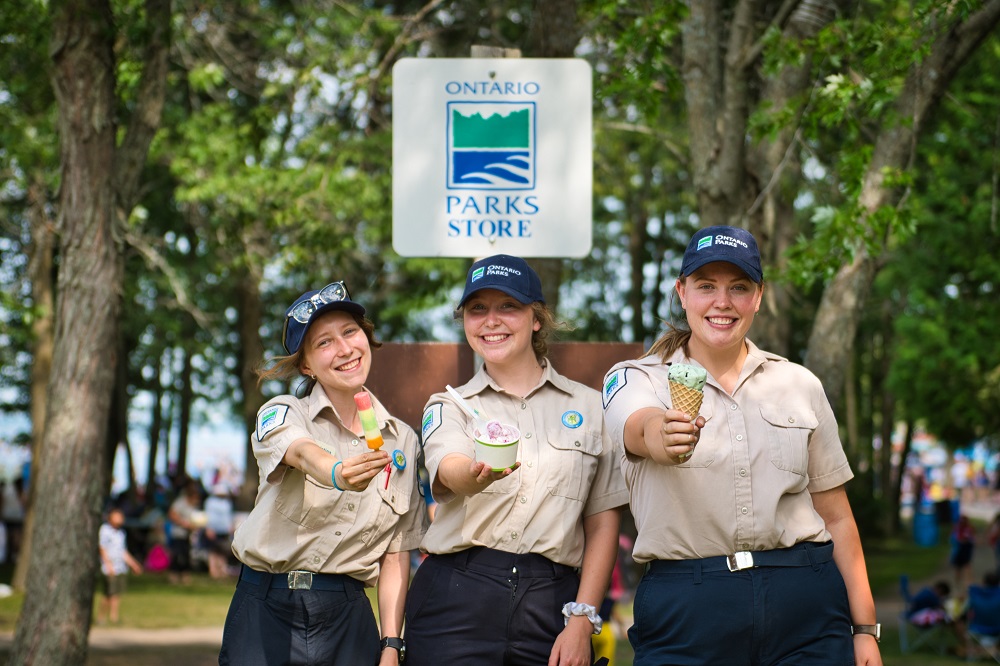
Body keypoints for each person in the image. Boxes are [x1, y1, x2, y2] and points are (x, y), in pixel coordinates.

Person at [602, 226, 883, 666]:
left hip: (805, 604)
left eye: (738, 287)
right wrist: (663, 433)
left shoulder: (799, 383)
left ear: (758, 296)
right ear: (682, 292)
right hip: (688, 607)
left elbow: (838, 518)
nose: (722, 302)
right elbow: (639, 428)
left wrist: (865, 630)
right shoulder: (635, 378)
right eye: (706, 286)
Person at [405, 255, 628, 666]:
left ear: (537, 318)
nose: (492, 320)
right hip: (456, 597)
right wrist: (475, 475)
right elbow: (451, 470)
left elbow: (602, 523)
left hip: (552, 603)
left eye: (508, 306)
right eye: (478, 309)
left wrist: (581, 619)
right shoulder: (448, 404)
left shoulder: (593, 407)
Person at [219, 281, 428, 666]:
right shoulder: (283, 411)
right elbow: (298, 450)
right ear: (306, 365)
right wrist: (335, 472)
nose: (345, 349)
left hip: (348, 615)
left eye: (350, 332)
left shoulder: (403, 441)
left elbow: (396, 555)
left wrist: (391, 645)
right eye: (324, 343)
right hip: (266, 608)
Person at [97, 506, 143, 624]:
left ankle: (114, 617)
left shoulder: (121, 533)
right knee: (109, 593)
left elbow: (123, 551)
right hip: (109, 567)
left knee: (116, 593)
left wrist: (133, 564)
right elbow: (102, 548)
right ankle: (101, 617)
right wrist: (108, 565)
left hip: (120, 566)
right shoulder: (105, 531)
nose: (119, 519)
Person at [166, 477, 202, 584]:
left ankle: (185, 576)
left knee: (186, 555)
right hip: (178, 533)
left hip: (188, 535)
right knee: (177, 555)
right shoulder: (180, 502)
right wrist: (183, 523)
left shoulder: (194, 505)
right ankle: (173, 576)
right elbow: (171, 514)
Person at [951, 514, 977, 592]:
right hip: (961, 550)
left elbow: (970, 538)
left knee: (965, 567)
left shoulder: (967, 529)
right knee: (961, 568)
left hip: (964, 549)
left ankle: (967, 584)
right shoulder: (958, 529)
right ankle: (963, 584)